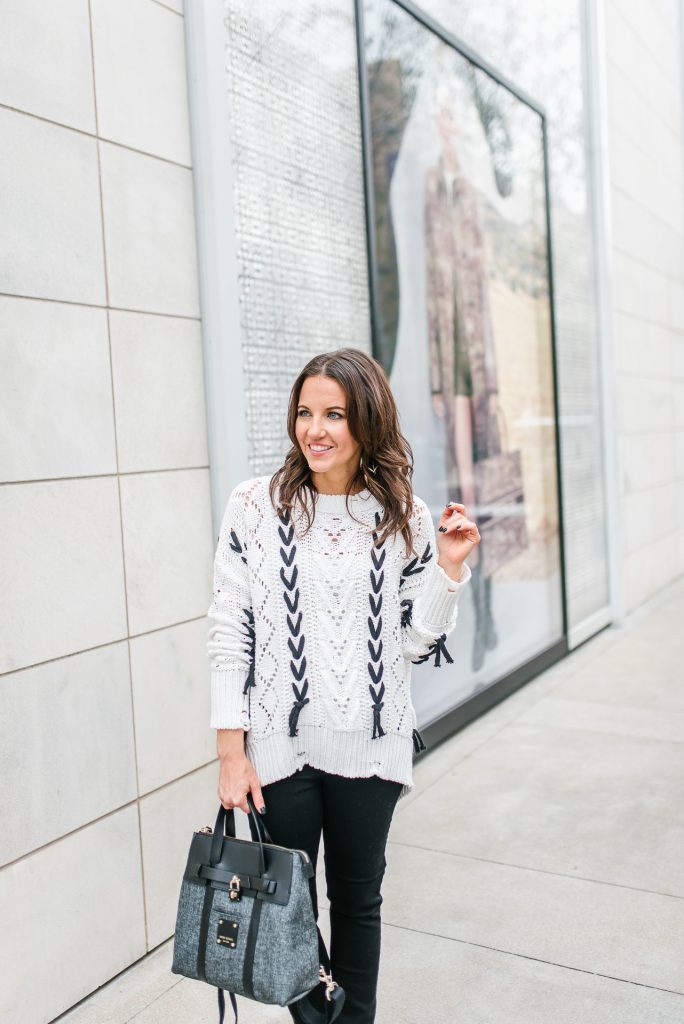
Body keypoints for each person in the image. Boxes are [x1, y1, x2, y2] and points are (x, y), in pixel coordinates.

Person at [207, 348, 480, 1023]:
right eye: (306, 412)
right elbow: (227, 629)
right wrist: (230, 749)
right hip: (277, 751)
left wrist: (447, 571)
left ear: (367, 422)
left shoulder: (404, 518)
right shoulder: (253, 507)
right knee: (287, 909)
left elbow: (415, 643)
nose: (315, 429)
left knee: (357, 904)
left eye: (334, 413)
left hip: (371, 746)